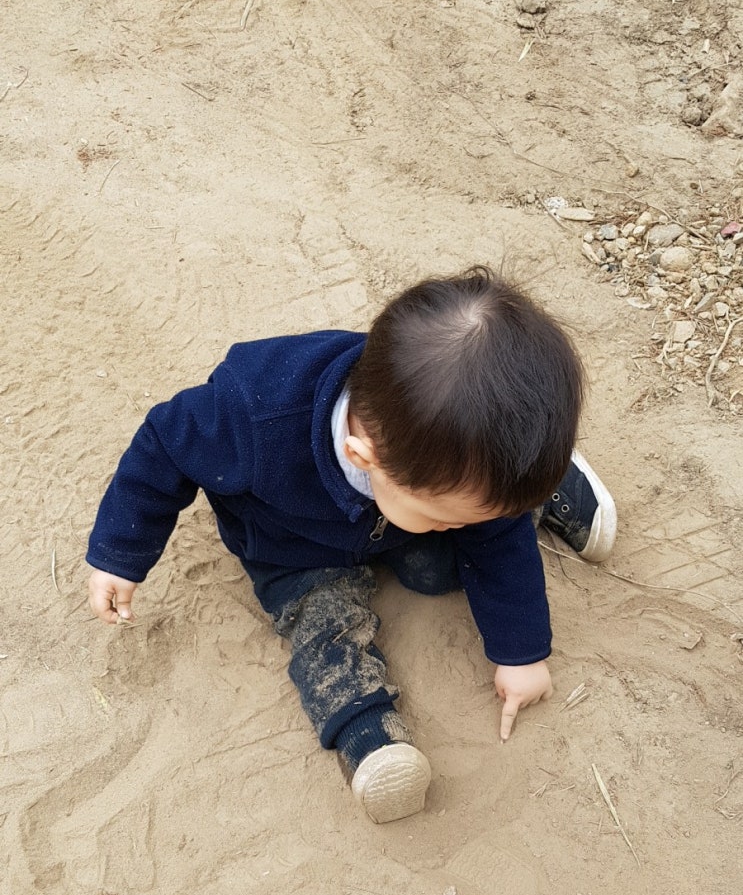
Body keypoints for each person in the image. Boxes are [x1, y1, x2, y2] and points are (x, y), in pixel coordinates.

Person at [87, 267, 616, 823]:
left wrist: (521, 652)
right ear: (363, 458)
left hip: (414, 506)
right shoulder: (251, 418)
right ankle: (373, 740)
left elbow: (498, 541)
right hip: (291, 542)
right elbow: (162, 445)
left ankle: (532, 480)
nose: (453, 524)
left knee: (448, 565)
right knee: (321, 622)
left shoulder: (434, 438)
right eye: (444, 515)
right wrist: (120, 554)